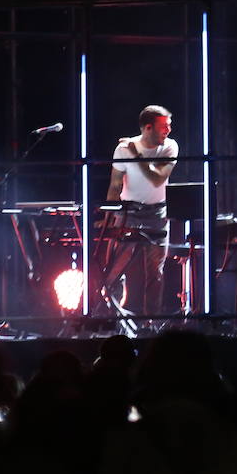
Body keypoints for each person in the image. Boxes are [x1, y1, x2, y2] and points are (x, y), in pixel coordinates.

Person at [102, 105, 178, 316]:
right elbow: (115, 186)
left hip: (158, 214)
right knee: (115, 267)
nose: (168, 131)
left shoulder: (170, 147)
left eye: (169, 126)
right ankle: (113, 316)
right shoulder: (123, 149)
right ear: (148, 128)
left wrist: (136, 154)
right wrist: (108, 218)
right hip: (128, 214)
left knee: (155, 272)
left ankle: (150, 322)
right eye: (164, 126)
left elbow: (157, 179)